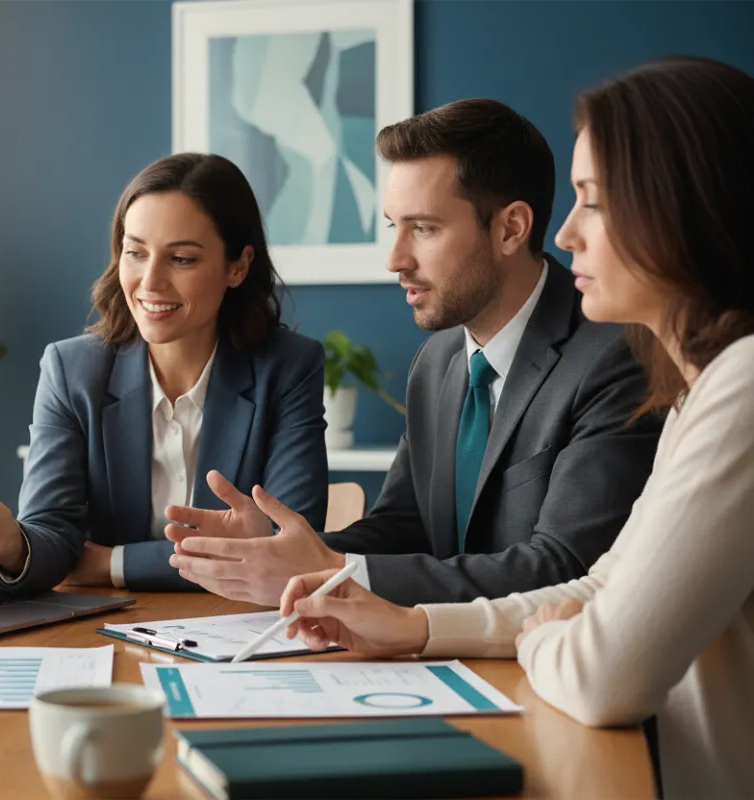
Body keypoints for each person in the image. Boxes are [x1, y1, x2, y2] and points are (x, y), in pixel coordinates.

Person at [277, 57, 754, 798]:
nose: (566, 234)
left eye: (593, 201)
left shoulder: (743, 386)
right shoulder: (704, 389)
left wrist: (542, 638)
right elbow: (600, 586)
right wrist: (415, 628)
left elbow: (604, 674)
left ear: (679, 208)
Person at [166, 99, 662, 607]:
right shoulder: (438, 361)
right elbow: (404, 527)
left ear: (511, 228)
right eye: (392, 226)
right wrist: (286, 553)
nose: (395, 259)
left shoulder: (616, 358)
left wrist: (333, 569)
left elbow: (564, 567)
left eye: (423, 228)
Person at [0, 153, 328, 592]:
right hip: (101, 632)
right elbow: (53, 539)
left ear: (238, 266)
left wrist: (112, 563)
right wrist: (12, 545)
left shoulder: (289, 368)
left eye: (182, 259)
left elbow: (291, 547)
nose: (149, 282)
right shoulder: (71, 370)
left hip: (235, 629)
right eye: (135, 253)